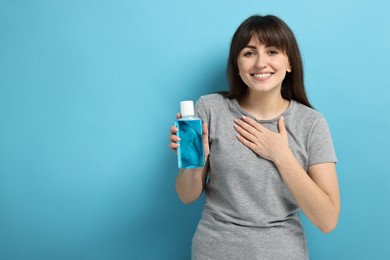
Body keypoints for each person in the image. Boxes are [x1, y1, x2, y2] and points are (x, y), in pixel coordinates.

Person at [168, 14, 340, 260]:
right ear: (237, 65)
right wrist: (194, 162)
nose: (261, 63)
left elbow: (327, 220)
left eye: (272, 52)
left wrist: (281, 155)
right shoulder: (209, 108)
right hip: (214, 251)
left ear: (289, 63)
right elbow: (186, 196)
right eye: (249, 53)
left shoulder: (311, 123)